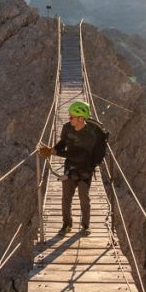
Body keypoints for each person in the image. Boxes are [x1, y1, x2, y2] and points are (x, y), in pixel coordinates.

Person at [38, 101, 107, 236]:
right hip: (70, 168)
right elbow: (64, 142)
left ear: (81, 118)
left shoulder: (90, 135)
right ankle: (66, 225)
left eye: (72, 117)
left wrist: (55, 153)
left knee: (84, 198)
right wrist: (52, 149)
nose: (69, 119)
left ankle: (85, 226)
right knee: (66, 198)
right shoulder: (67, 128)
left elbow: (80, 156)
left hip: (85, 170)